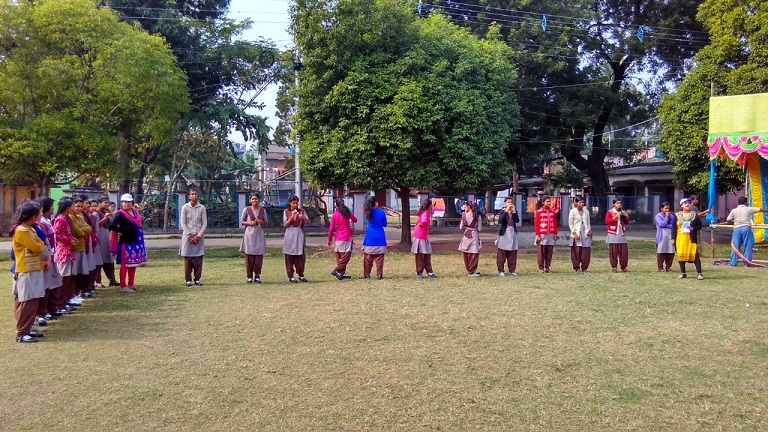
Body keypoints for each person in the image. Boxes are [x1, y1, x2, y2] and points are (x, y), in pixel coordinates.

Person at [10, 201, 47, 343]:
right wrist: (40, 244)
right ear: (32, 215)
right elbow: (37, 247)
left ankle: (27, 328)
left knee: (32, 301)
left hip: (34, 268)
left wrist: (40, 244)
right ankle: (22, 333)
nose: (39, 215)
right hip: (26, 270)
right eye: (38, 213)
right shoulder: (22, 230)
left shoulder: (29, 229)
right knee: (27, 302)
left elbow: (40, 242)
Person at [109, 194, 148, 292]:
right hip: (126, 243)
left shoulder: (135, 212)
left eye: (129, 202)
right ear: (122, 203)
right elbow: (112, 225)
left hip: (135, 241)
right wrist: (122, 231)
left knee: (133, 264)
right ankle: (123, 286)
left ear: (132, 203)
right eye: (125, 202)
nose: (127, 204)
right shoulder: (120, 214)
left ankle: (131, 284)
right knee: (125, 265)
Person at [36, 197, 63, 324]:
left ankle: (51, 308)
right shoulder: (40, 224)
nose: (53, 208)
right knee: (46, 285)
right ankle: (42, 312)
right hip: (46, 258)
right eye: (51, 206)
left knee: (54, 282)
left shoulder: (47, 221)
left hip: (52, 256)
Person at [52, 198, 78, 313]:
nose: (74, 207)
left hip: (69, 250)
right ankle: (59, 304)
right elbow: (57, 235)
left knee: (69, 278)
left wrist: (72, 239)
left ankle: (66, 301)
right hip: (63, 251)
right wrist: (69, 240)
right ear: (68, 207)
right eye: (72, 205)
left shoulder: (66, 218)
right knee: (64, 277)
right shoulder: (60, 219)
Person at [725, 196, 768, 266]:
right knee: (747, 246)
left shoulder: (734, 210)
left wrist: (733, 222)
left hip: (737, 229)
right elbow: (760, 209)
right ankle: (747, 263)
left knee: (735, 247)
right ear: (745, 203)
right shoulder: (749, 209)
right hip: (746, 228)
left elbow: (728, 220)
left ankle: (733, 263)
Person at [179, 189, 207, 286]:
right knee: (188, 259)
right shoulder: (185, 207)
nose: (194, 196)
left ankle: (197, 279)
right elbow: (183, 222)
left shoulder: (202, 208)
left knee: (198, 259)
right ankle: (188, 279)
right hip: (188, 237)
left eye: (195, 194)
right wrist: (189, 235)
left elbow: (204, 223)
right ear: (189, 196)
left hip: (198, 236)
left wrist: (199, 236)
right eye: (192, 194)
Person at [672, 198, 704, 280]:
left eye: (689, 203)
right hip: (680, 238)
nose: (687, 204)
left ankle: (699, 273)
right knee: (681, 256)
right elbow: (673, 228)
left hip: (690, 239)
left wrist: (693, 228)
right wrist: (673, 238)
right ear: (681, 205)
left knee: (695, 255)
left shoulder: (694, 215)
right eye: (685, 203)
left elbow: (699, 226)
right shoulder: (677, 215)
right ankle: (683, 273)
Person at [240, 193, 268, 283]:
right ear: (250, 200)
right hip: (249, 234)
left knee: (259, 256)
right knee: (249, 256)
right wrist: (249, 223)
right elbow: (242, 221)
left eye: (256, 199)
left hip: (259, 233)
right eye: (252, 199)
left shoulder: (262, 210)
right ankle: (249, 276)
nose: (254, 200)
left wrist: (261, 222)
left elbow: (266, 222)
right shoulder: (247, 209)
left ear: (258, 200)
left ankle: (257, 276)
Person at [327, 197, 357, 280]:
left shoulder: (334, 215)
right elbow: (355, 220)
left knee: (339, 256)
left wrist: (329, 239)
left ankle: (341, 273)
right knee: (346, 256)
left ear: (336, 206)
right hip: (347, 237)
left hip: (338, 237)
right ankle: (337, 270)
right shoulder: (347, 213)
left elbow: (331, 228)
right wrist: (349, 215)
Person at [283, 195, 310, 283]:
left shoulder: (302, 211)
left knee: (300, 255)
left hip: (298, 233)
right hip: (289, 233)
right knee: (289, 255)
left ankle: (301, 274)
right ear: (290, 203)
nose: (295, 205)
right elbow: (285, 225)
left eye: (296, 203)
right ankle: (290, 275)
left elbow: (308, 222)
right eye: (293, 203)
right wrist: (291, 217)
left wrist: (304, 218)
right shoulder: (286, 211)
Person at [69, 198, 92, 301]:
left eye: (81, 207)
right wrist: (83, 230)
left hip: (81, 247)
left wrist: (83, 230)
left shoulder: (78, 217)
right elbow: (78, 232)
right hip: (75, 248)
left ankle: (77, 293)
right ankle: (74, 294)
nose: (79, 208)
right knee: (75, 273)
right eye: (77, 206)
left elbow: (89, 228)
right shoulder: (71, 217)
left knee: (80, 272)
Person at [362, 196, 387, 279]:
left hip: (369, 238)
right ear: (376, 203)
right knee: (380, 258)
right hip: (380, 238)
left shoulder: (367, 212)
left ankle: (367, 275)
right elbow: (385, 224)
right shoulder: (381, 212)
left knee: (368, 258)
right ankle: (379, 274)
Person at [95, 197, 119, 287]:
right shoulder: (96, 214)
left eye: (108, 203)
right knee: (98, 261)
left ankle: (112, 280)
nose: (107, 204)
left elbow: (113, 221)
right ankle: (98, 281)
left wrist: (109, 211)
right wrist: (105, 218)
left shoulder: (105, 212)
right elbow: (95, 226)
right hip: (99, 239)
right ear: (99, 203)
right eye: (105, 203)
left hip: (106, 239)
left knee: (108, 259)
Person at [412, 198, 438, 279]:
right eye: (431, 205)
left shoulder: (423, 212)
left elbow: (419, 221)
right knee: (421, 255)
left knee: (426, 254)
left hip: (422, 235)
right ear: (429, 205)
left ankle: (429, 272)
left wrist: (420, 224)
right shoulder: (425, 212)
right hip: (420, 236)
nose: (432, 206)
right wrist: (421, 224)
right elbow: (424, 221)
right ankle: (420, 272)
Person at [496, 196, 519, 276]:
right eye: (508, 202)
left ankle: (512, 270)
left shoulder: (514, 211)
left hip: (512, 232)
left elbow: (517, 220)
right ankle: (501, 270)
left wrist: (514, 211)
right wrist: (506, 211)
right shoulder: (502, 211)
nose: (510, 204)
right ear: (505, 203)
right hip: (504, 233)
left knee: (513, 251)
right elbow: (500, 220)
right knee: (502, 252)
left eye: (511, 202)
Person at [534, 196, 558, 273]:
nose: (549, 203)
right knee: (541, 251)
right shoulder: (539, 212)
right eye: (547, 201)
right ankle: (541, 267)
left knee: (549, 251)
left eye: (549, 201)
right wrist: (538, 234)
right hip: (542, 234)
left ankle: (547, 267)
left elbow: (554, 223)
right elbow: (536, 224)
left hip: (550, 234)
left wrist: (555, 233)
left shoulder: (552, 212)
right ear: (543, 202)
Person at [568, 196, 592, 273]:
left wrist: (589, 231)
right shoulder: (573, 211)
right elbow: (570, 224)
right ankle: (576, 267)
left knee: (586, 251)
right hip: (576, 232)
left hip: (585, 232)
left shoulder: (586, 211)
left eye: (583, 202)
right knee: (576, 251)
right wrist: (574, 233)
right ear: (576, 203)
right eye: (580, 202)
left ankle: (584, 267)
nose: (581, 204)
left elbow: (588, 222)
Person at [605, 198, 630, 272]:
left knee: (623, 251)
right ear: (614, 204)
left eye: (620, 203)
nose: (619, 205)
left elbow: (626, 222)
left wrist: (627, 216)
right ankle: (614, 267)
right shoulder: (610, 212)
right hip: (613, 233)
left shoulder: (622, 212)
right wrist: (616, 216)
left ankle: (623, 266)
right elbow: (607, 221)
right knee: (614, 251)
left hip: (621, 232)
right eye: (617, 203)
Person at [458, 201, 482, 276]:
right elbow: (480, 228)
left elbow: (461, 227)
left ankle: (470, 269)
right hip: (474, 234)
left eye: (465, 206)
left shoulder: (464, 215)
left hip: (466, 234)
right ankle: (472, 270)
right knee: (474, 252)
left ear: (469, 207)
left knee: (466, 252)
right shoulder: (477, 216)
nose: (464, 207)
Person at [655, 202, 676, 272]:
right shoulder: (658, 216)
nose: (667, 210)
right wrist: (666, 218)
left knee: (670, 251)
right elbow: (661, 224)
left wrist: (666, 225)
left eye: (668, 208)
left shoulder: (672, 216)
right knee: (661, 251)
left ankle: (668, 267)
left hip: (670, 235)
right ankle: (660, 267)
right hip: (661, 236)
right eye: (665, 208)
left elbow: (673, 225)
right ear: (662, 209)